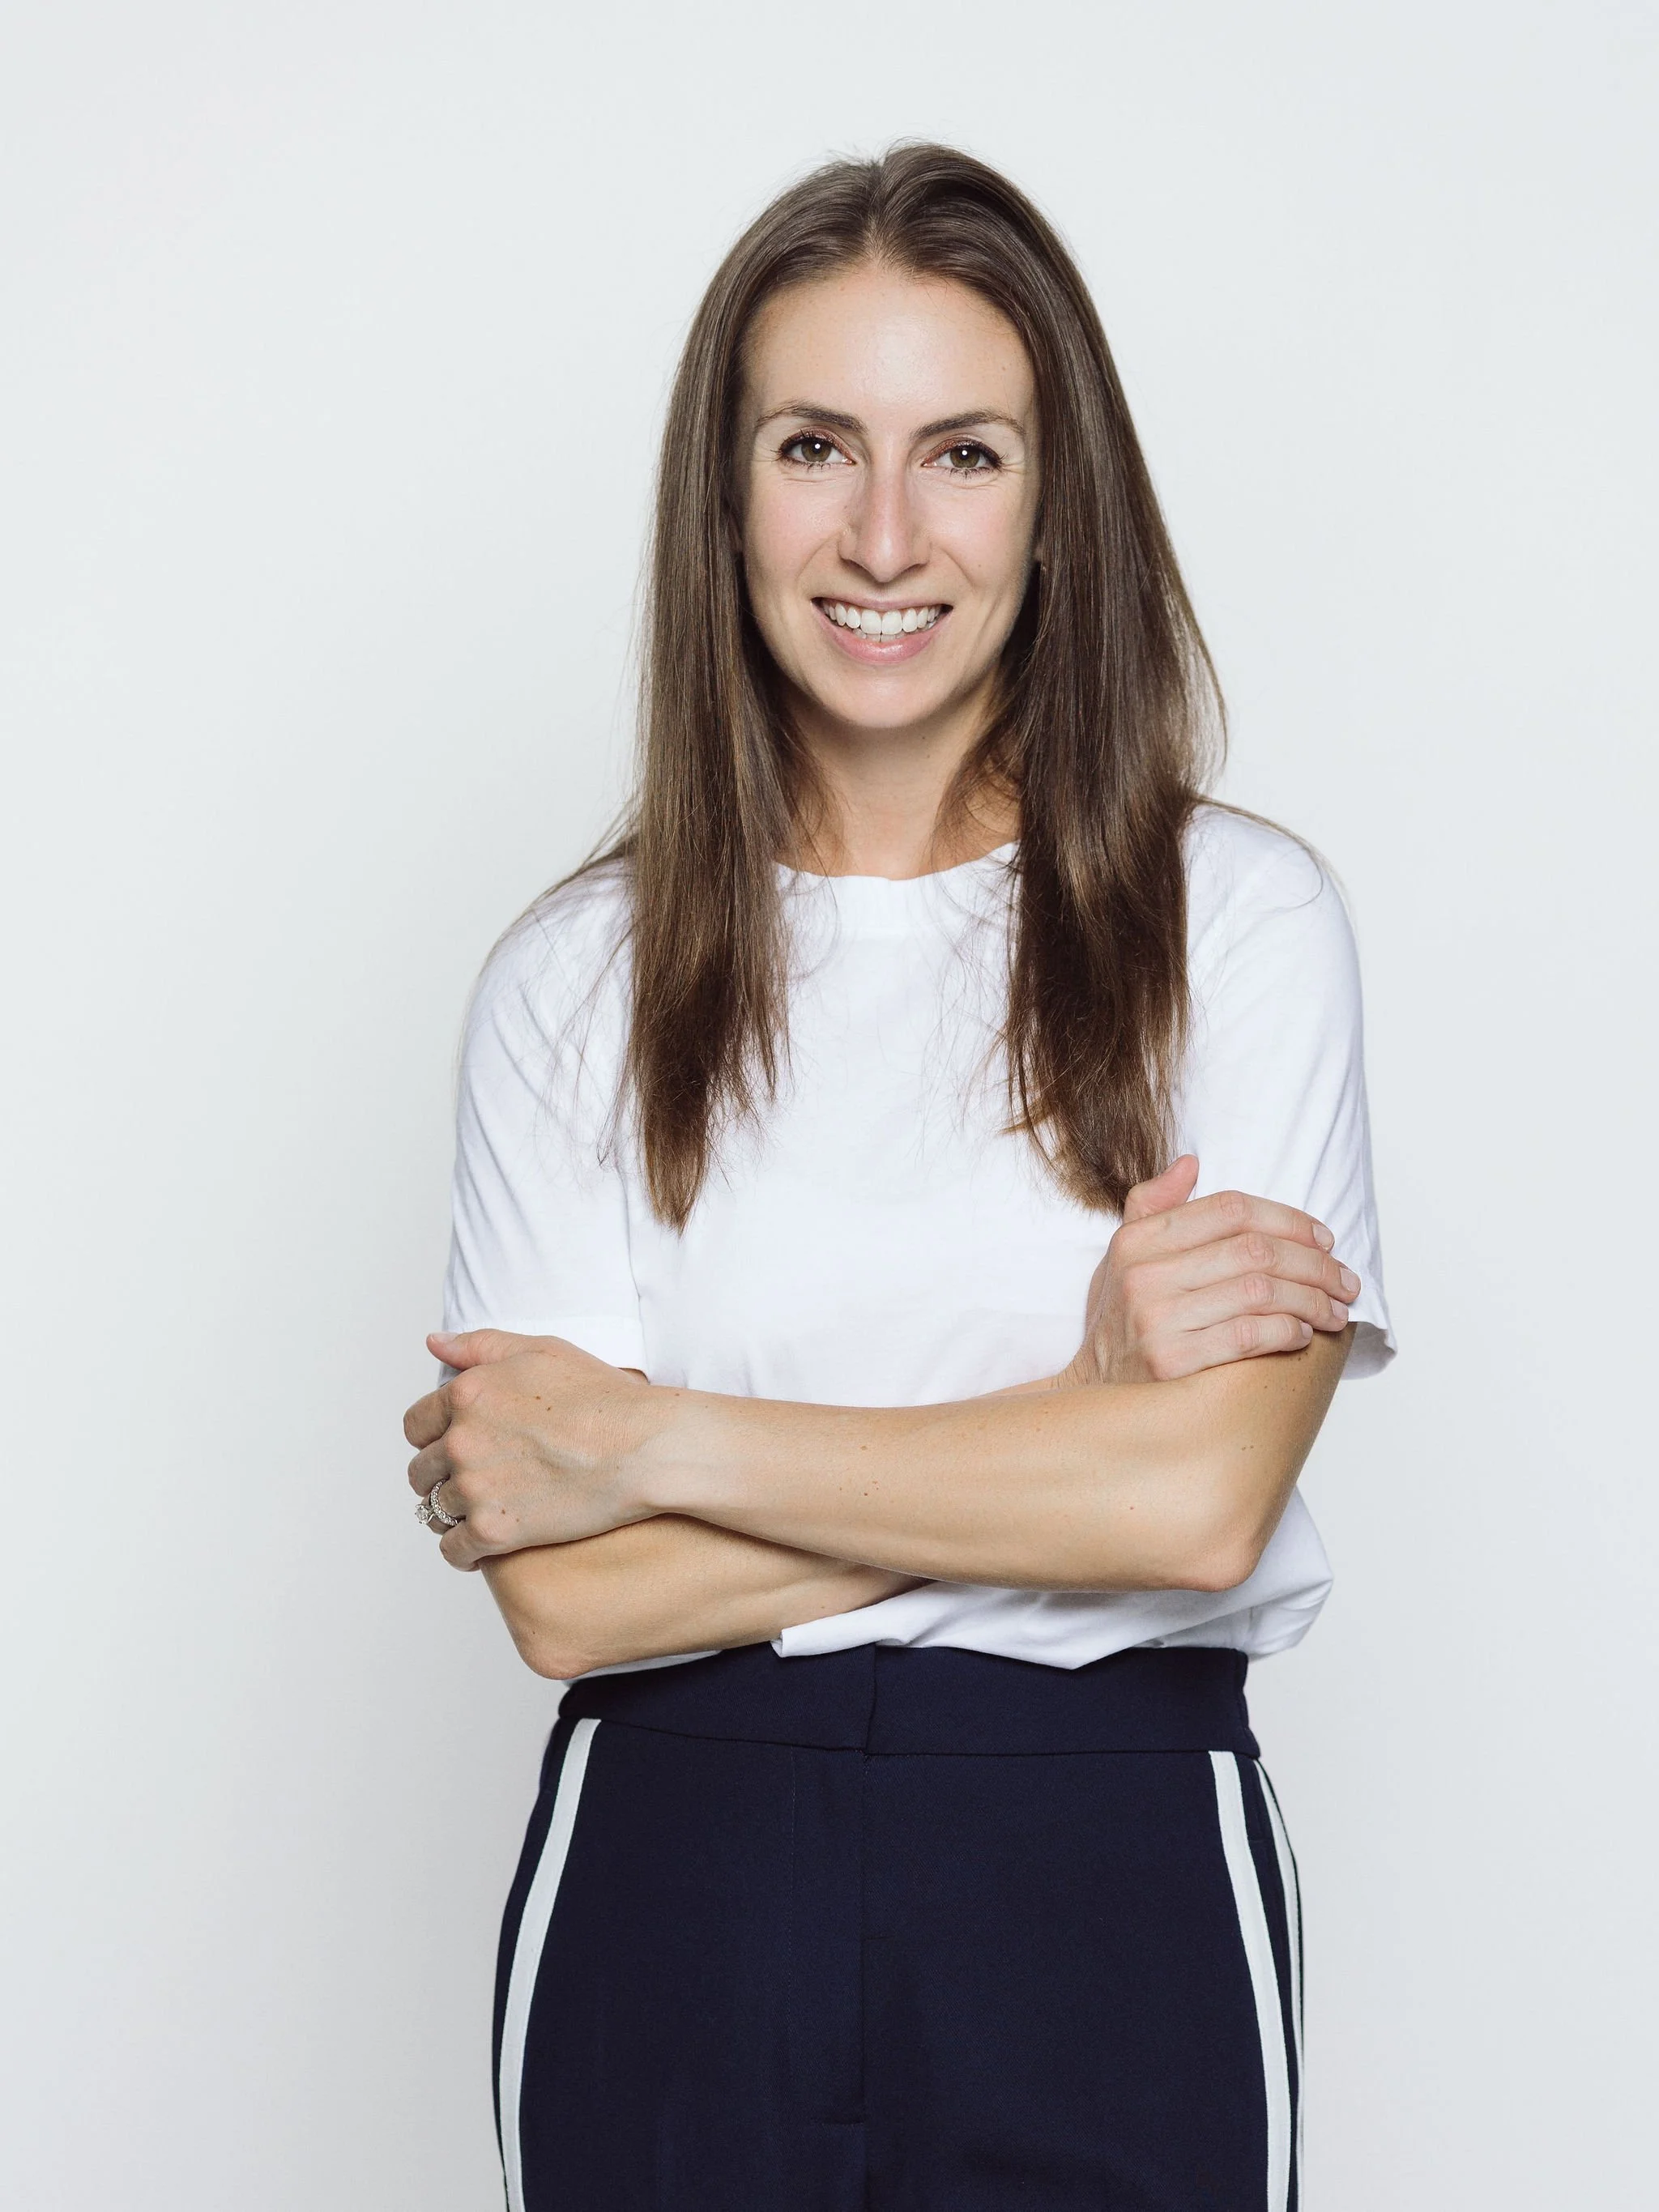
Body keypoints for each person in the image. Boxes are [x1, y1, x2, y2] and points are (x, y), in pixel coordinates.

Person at [403, 143, 1392, 2212]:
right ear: (724, 496)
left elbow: (1194, 1511)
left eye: (961, 453)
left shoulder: (1238, 926)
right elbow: (571, 1602)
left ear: (1056, 502)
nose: (881, 535)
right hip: (675, 1871)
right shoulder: (573, 981)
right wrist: (1075, 1424)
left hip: (1104, 1871)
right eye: (811, 448)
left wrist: (653, 1442)